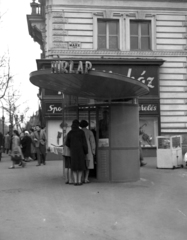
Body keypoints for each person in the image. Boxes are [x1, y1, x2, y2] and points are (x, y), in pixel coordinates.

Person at [65, 119, 88, 186]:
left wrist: (72, 146)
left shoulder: (70, 132)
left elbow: (67, 143)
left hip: (73, 151)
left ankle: (75, 181)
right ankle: (79, 181)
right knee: (80, 166)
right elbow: (84, 143)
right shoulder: (81, 132)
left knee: (74, 166)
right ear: (78, 125)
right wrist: (86, 151)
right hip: (81, 151)